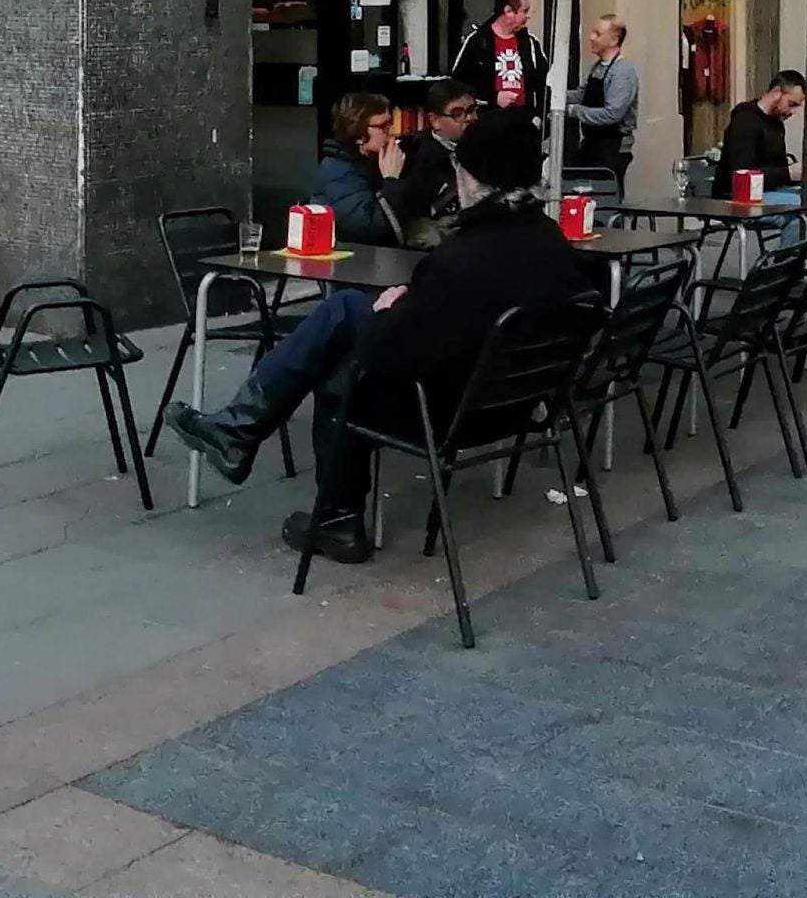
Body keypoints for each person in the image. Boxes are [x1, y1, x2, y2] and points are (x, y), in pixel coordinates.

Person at [161, 109, 605, 562]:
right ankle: (245, 435)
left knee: (342, 362)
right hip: (517, 406)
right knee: (347, 313)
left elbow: (388, 353)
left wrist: (396, 309)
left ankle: (318, 502)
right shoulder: (553, 244)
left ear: (470, 178)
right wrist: (412, 304)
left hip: (453, 412)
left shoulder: (464, 258)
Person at [313, 93, 409, 247]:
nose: (392, 132)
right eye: (383, 126)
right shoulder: (338, 171)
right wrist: (391, 181)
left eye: (391, 123)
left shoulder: (371, 162)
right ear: (358, 135)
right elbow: (367, 231)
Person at [393, 79, 478, 244]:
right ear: (434, 121)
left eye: (472, 110)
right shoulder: (420, 159)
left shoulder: (483, 147)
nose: (469, 119)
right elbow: (415, 224)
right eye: (457, 114)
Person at [451, 0, 549, 124]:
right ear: (508, 11)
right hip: (486, 122)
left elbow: (544, 82)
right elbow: (458, 83)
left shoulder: (530, 44)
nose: (528, 16)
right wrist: (493, 97)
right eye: (524, 11)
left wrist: (539, 116)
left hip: (524, 124)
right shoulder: (478, 42)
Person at [563, 15, 639, 189]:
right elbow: (583, 95)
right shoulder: (598, 67)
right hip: (592, 143)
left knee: (607, 197)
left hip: (613, 147)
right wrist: (556, 95)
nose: (591, 37)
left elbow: (612, 114)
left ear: (614, 40)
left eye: (597, 33)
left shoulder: (622, 72)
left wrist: (574, 111)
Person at [713, 70, 805, 201]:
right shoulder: (745, 121)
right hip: (739, 196)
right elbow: (741, 173)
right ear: (776, 93)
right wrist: (788, 173)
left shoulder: (776, 124)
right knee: (805, 206)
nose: (792, 112)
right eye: (791, 104)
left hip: (769, 190)